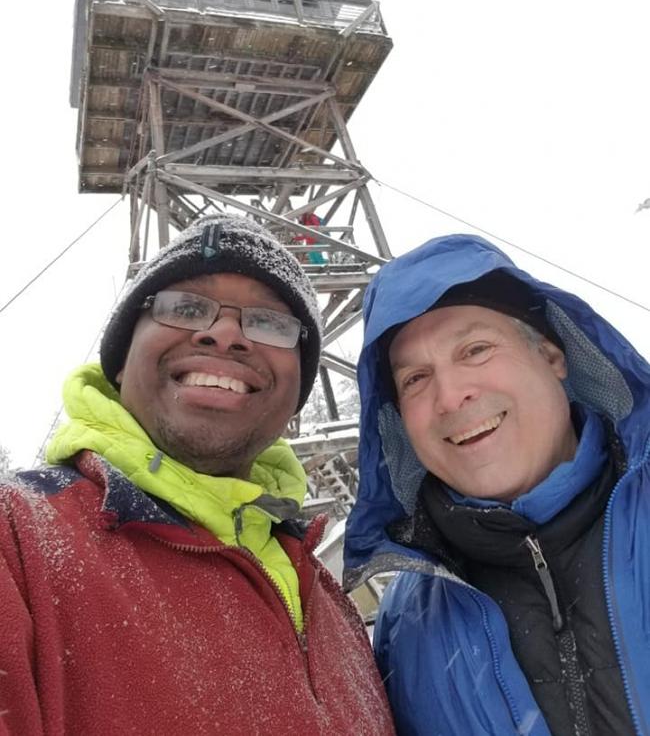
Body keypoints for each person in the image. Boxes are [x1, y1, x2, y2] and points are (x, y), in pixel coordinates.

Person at [0, 215, 395, 736]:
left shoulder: (328, 599)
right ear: (119, 362)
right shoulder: (17, 542)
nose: (225, 334)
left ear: (297, 391)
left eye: (270, 322)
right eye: (185, 307)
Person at [343, 233, 650, 736]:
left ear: (553, 356)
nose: (450, 395)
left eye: (476, 349)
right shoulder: (404, 626)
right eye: (415, 379)